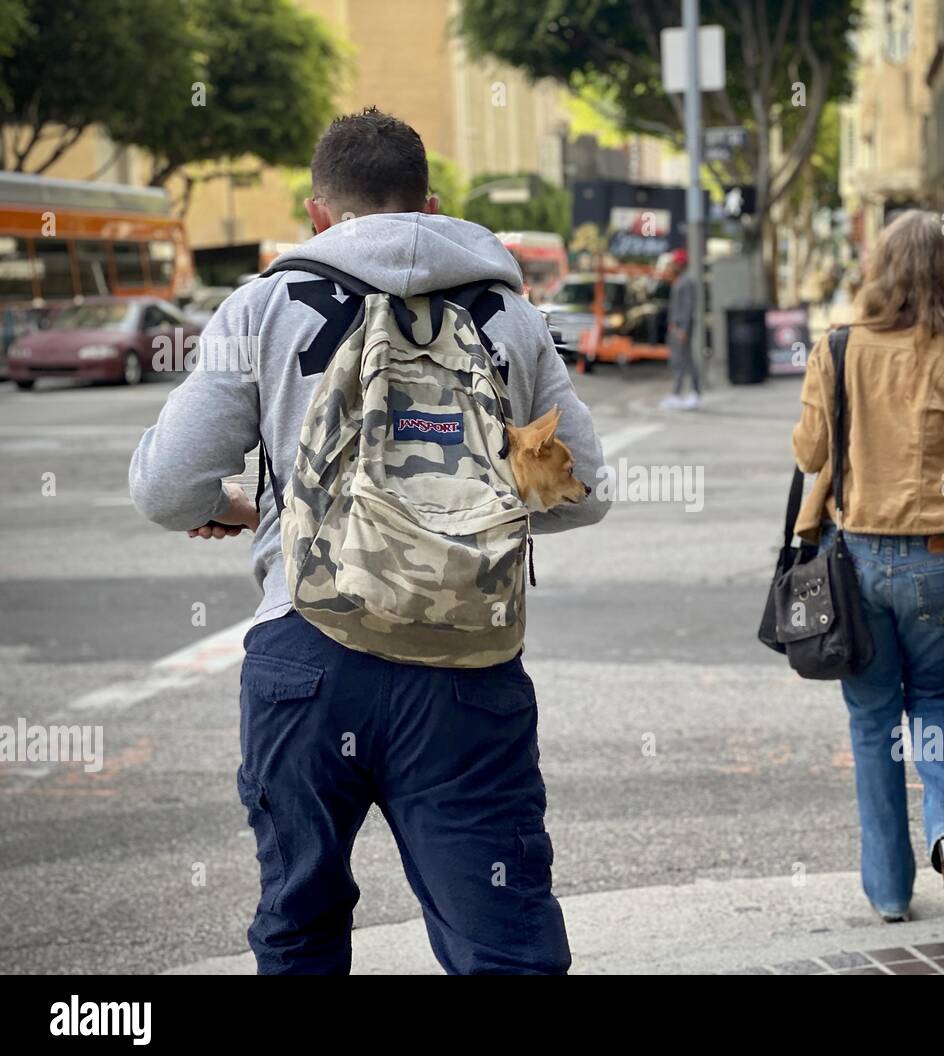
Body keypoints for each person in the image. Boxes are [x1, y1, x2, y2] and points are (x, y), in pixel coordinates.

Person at [128, 108, 610, 974]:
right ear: (429, 205)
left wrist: (249, 510)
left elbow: (167, 488)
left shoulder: (264, 304)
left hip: (308, 655)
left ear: (319, 214)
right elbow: (581, 494)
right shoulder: (509, 316)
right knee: (504, 941)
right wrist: (461, 512)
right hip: (466, 670)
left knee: (302, 927)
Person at [791, 210, 944, 923]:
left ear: (878, 270)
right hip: (940, 561)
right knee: (937, 701)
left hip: (854, 563)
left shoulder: (839, 348)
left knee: (872, 721)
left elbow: (809, 453)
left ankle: (888, 890)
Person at [661, 248, 701, 410]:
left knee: (684, 360)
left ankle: (691, 393)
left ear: (680, 263)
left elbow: (687, 307)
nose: (671, 266)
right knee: (680, 360)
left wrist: (683, 329)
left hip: (681, 329)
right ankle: (682, 393)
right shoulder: (679, 281)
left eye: (674, 262)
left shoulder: (686, 282)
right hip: (676, 328)